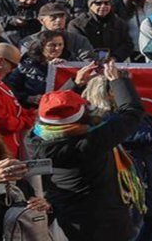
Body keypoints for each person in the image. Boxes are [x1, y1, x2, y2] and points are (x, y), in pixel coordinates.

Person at [25, 62, 145, 241]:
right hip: (105, 224)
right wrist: (118, 81)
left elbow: (54, 111)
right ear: (80, 115)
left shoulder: (34, 139)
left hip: (69, 218)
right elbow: (132, 112)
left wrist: (74, 84)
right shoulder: (90, 141)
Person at [82, 75, 152, 240]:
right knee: (134, 228)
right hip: (134, 183)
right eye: (123, 88)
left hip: (147, 177)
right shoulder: (109, 120)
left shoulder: (124, 113)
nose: (130, 92)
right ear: (110, 93)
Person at [67, 0, 135, 62]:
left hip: (114, 63)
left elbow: (127, 44)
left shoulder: (119, 23)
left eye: (107, 3)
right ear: (90, 5)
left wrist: (115, 57)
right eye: (98, 3)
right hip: (86, 63)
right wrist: (95, 59)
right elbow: (77, 46)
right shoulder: (77, 24)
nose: (103, 6)